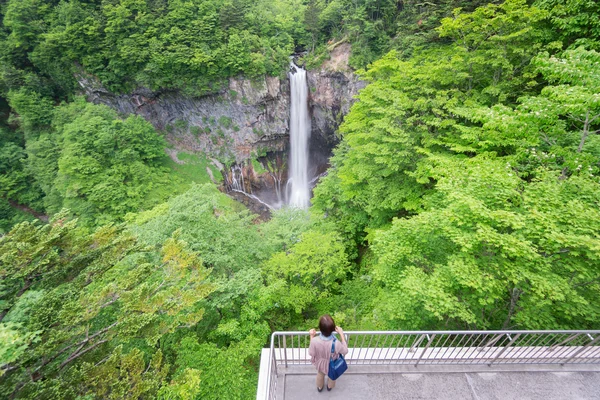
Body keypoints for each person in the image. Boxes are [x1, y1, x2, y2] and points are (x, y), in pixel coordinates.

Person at [308, 314, 348, 392]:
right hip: (333, 364)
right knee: (332, 376)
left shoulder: (315, 341)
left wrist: (311, 336)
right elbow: (345, 351)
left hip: (321, 363)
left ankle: (320, 387)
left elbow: (311, 352)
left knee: (320, 375)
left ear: (320, 328)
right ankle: (329, 387)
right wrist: (342, 335)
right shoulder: (336, 343)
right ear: (333, 329)